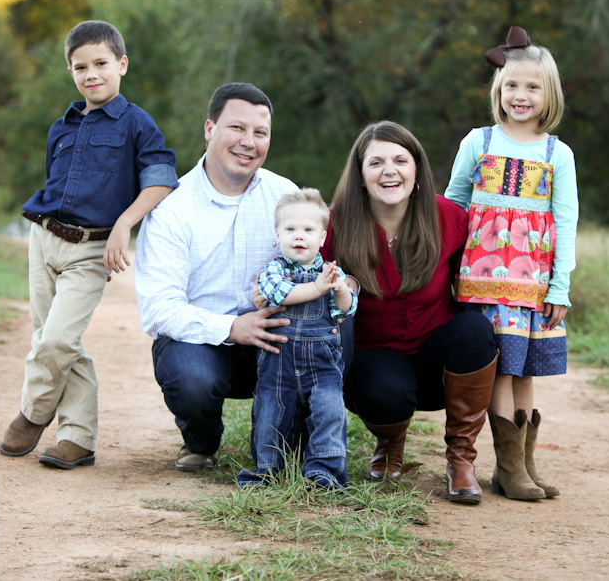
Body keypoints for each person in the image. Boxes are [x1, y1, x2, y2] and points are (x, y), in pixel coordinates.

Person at [0, 20, 178, 469]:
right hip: (43, 240)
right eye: (80, 67)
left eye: (100, 63)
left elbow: (161, 181)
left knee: (58, 338)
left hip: (89, 250)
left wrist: (124, 224)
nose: (90, 74)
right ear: (71, 71)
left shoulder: (136, 124)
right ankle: (77, 438)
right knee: (57, 339)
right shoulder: (61, 126)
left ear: (121, 64)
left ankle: (33, 413)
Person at [134, 82, 307, 472]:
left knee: (331, 331)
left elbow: (310, 269)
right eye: (236, 128)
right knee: (192, 376)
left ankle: (284, 439)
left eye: (259, 133)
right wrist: (232, 327)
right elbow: (159, 310)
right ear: (210, 129)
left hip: (272, 336)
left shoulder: (286, 195)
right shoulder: (171, 207)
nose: (248, 142)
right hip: (201, 342)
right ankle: (201, 439)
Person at [323, 121, 498, 504]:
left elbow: (477, 284)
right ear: (360, 174)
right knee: (384, 388)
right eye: (377, 162)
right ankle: (390, 444)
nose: (390, 171)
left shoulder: (450, 218)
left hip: (438, 360)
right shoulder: (334, 224)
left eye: (401, 160)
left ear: (417, 170)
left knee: (475, 330)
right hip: (374, 361)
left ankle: (461, 458)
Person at [445, 26, 578, 500]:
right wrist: (443, 268)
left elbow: (566, 221)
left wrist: (559, 286)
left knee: (523, 369)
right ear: (498, 90)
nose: (520, 95)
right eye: (512, 86)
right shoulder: (479, 142)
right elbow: (453, 206)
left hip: (533, 282)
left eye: (532, 87)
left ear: (549, 94)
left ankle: (523, 462)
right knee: (499, 367)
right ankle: (508, 468)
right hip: (482, 280)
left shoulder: (556, 154)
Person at [237, 188, 357, 490]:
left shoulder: (330, 272)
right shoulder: (273, 270)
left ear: (322, 237)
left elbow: (345, 310)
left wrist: (340, 289)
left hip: (323, 363)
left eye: (308, 229)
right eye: (290, 229)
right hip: (279, 360)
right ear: (277, 235)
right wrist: (318, 287)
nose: (298, 236)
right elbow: (281, 294)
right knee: (271, 412)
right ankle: (268, 469)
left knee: (329, 413)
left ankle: (324, 474)